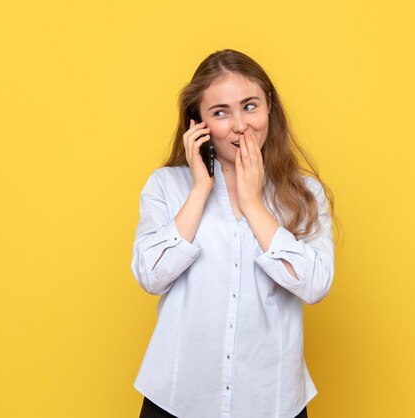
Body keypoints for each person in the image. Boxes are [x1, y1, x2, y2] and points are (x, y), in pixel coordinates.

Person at [131, 49, 337, 418]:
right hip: (178, 399)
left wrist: (254, 204)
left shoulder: (305, 194)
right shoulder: (167, 187)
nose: (241, 125)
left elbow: (315, 284)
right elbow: (151, 275)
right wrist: (199, 190)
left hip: (271, 402)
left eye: (250, 106)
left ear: (269, 106)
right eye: (221, 112)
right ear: (198, 123)